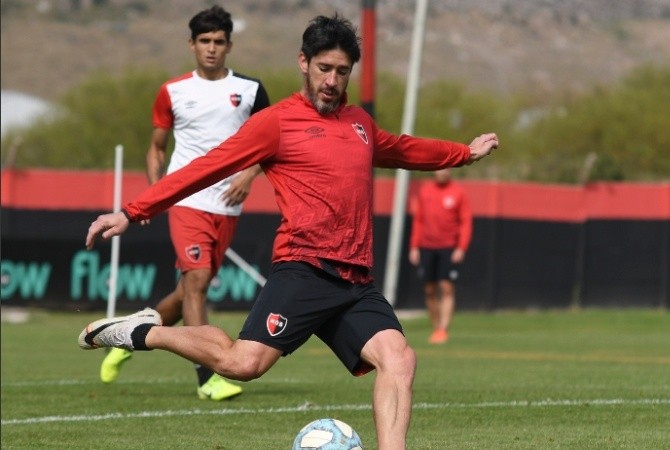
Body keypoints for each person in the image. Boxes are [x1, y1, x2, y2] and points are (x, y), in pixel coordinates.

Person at [79, 14, 498, 449]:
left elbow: (402, 148)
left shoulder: (359, 123)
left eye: (342, 71)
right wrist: (132, 211)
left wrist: (463, 153)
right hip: (304, 270)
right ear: (303, 62)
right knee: (243, 364)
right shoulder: (276, 122)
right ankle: (142, 332)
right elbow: (206, 167)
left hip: (354, 280)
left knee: (399, 358)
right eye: (324, 68)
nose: (332, 81)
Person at [98, 5, 270, 402]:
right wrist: (155, 196)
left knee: (188, 290)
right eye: (204, 41)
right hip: (186, 198)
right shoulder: (173, 91)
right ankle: (208, 377)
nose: (211, 48)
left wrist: (249, 175)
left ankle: (128, 336)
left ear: (229, 46)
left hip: (227, 204)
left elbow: (273, 142)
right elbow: (157, 149)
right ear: (191, 44)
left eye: (219, 41)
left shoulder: (250, 90)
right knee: (198, 281)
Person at [408, 168, 472, 345]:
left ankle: (443, 329)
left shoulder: (458, 192)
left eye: (446, 168)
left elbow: (465, 222)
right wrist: (414, 246)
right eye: (439, 168)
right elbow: (419, 220)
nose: (442, 172)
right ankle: (436, 327)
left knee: (446, 287)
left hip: (448, 247)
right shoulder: (425, 191)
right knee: (429, 289)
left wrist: (461, 247)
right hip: (426, 246)